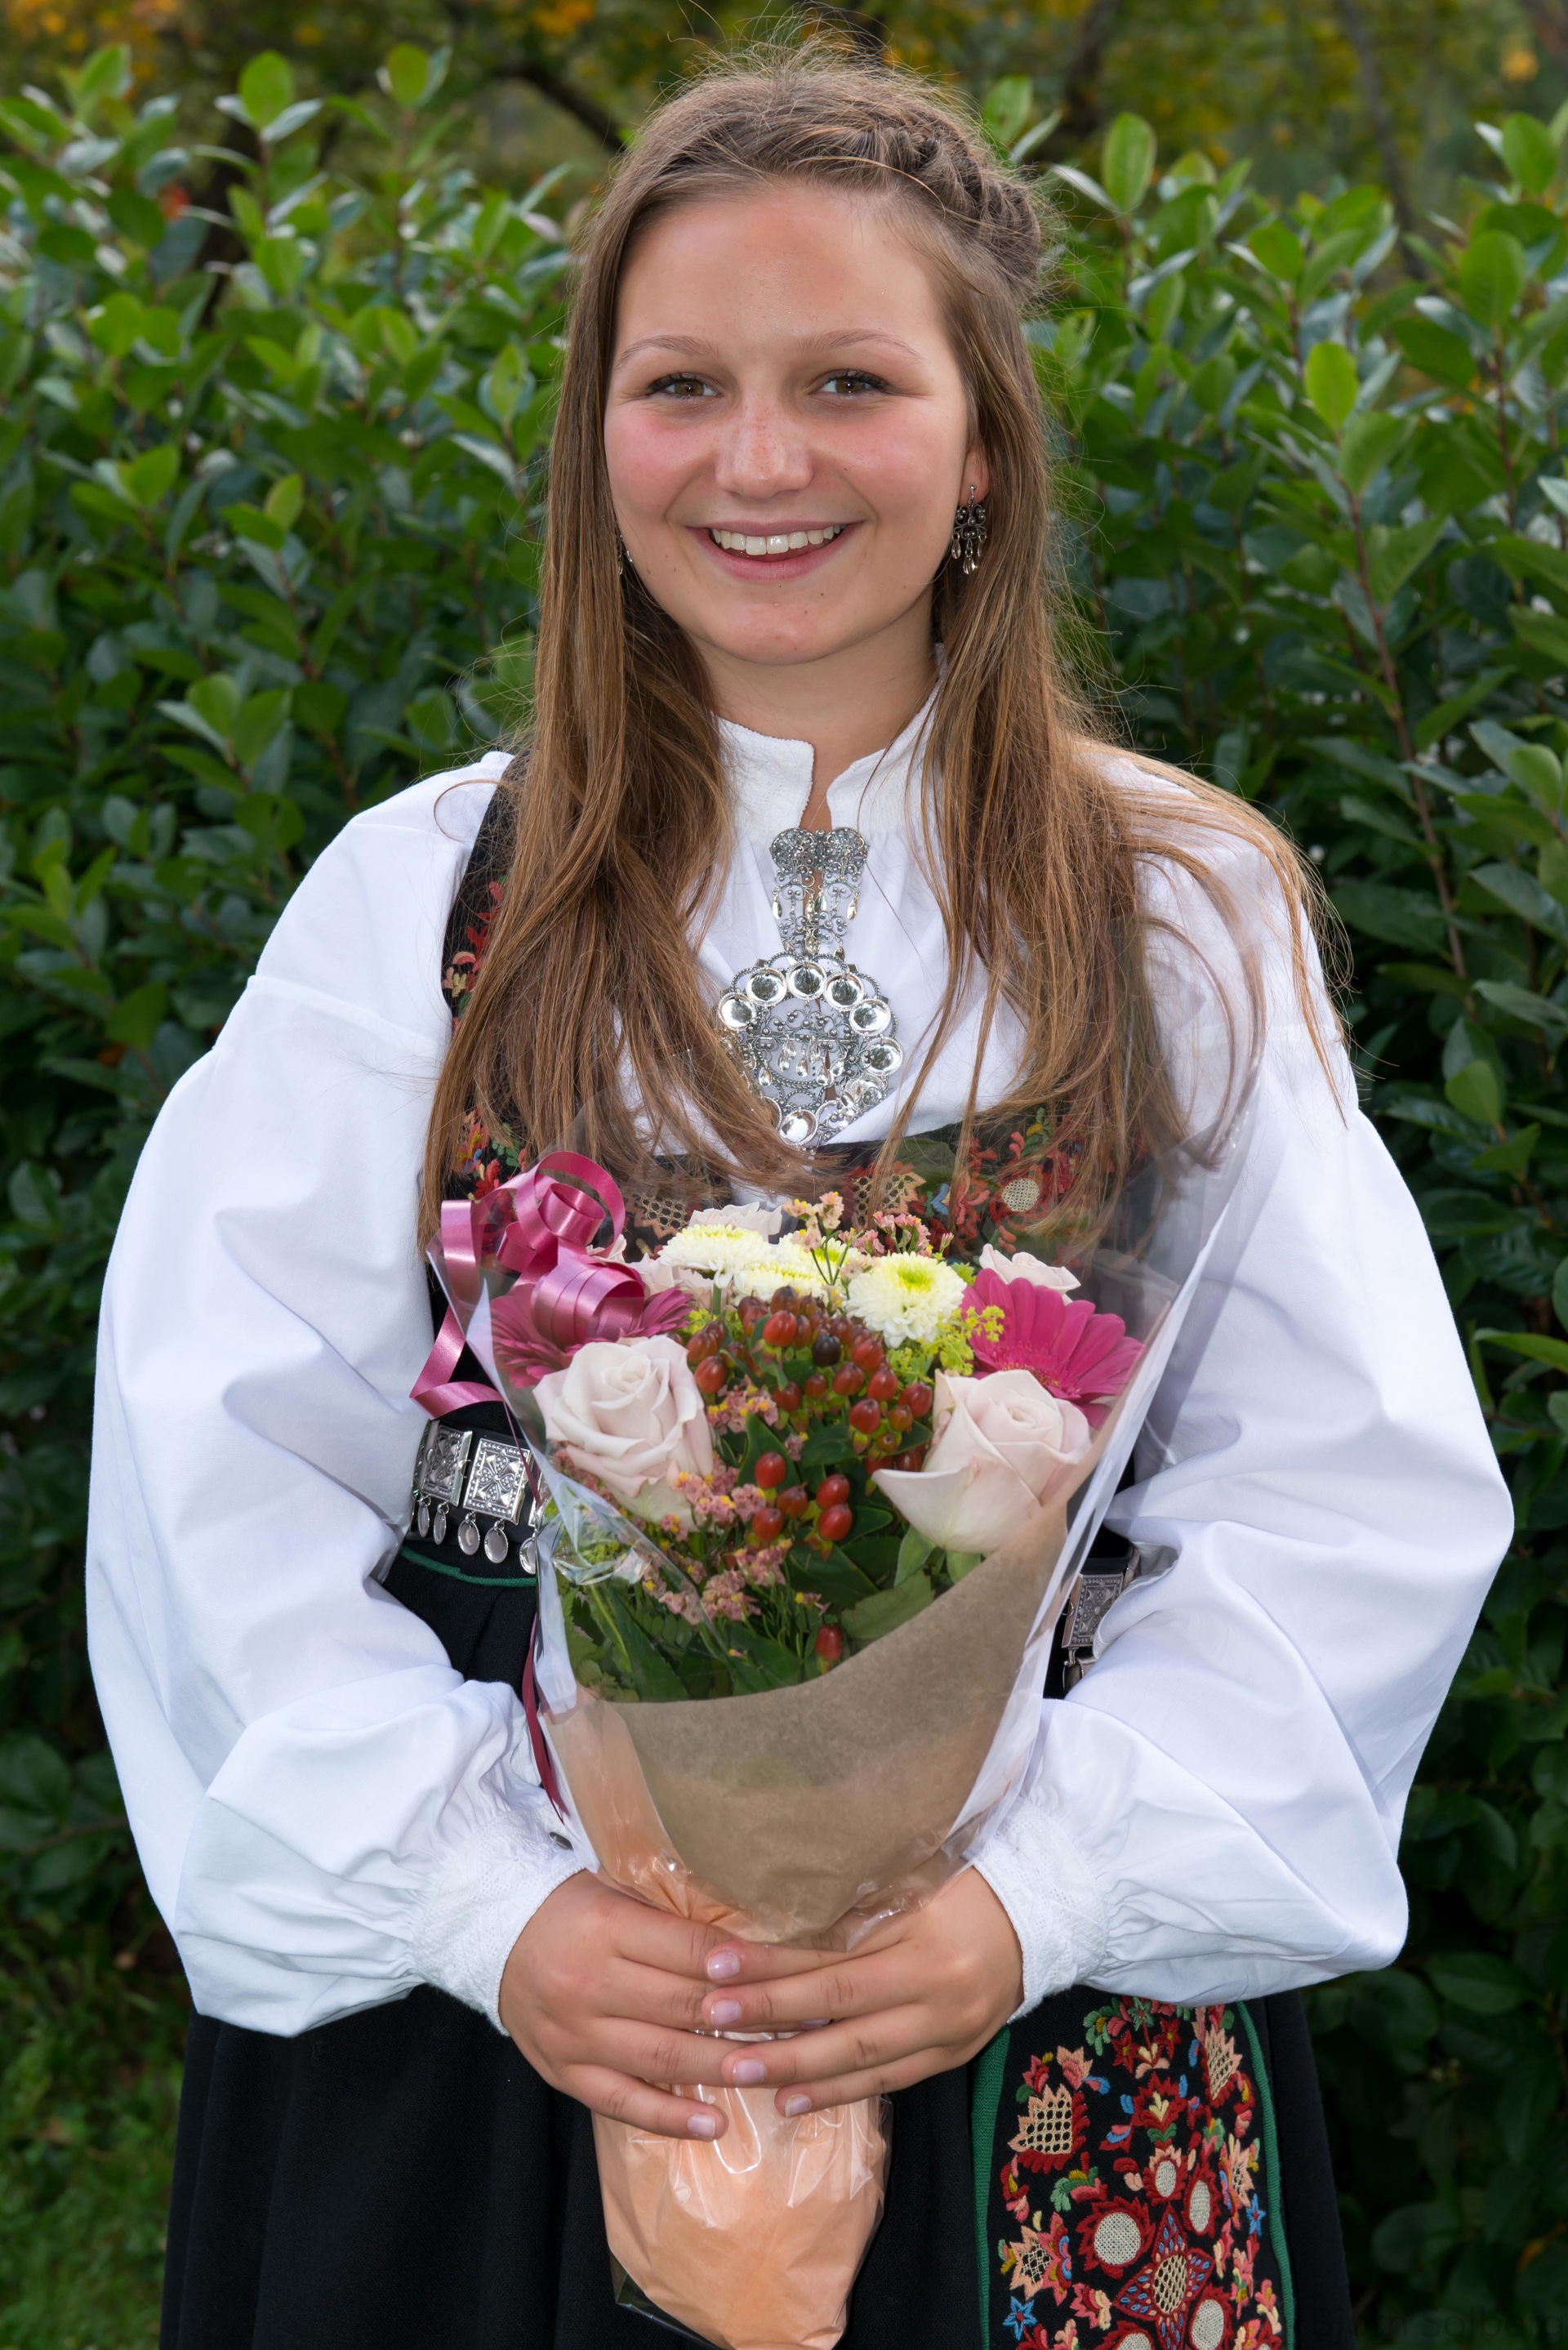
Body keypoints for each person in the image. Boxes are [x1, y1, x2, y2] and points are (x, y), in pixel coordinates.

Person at [87, 49, 1511, 2350]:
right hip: (530, 2018)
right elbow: (217, 1458)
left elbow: (1344, 1488)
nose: (760, 462)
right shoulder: (429, 896)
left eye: (849, 380)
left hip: (1026, 2016)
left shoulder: (1173, 910)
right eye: (682, 386)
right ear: (597, 439)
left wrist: (1038, 1898)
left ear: (982, 441)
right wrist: (484, 1910)